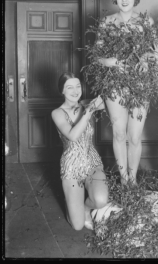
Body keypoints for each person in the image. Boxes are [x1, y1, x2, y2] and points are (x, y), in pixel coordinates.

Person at [97, 0, 158, 185]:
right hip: (114, 82)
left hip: (139, 83)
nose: (124, 0)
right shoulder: (106, 22)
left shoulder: (145, 21)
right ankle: (124, 180)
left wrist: (146, 58)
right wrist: (111, 61)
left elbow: (157, 51)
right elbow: (96, 56)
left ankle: (132, 179)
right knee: (118, 132)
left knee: (134, 137)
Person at [51, 72, 108, 231]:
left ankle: (85, 207)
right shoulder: (57, 113)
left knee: (100, 201)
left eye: (78, 86)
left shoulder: (85, 104)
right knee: (77, 226)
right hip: (71, 167)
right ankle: (70, 200)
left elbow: (112, 100)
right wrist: (89, 111)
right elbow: (73, 135)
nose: (75, 91)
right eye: (69, 87)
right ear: (62, 90)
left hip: (92, 163)